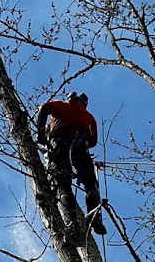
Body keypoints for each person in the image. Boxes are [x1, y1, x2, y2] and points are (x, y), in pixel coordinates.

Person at [36, 90, 105, 232]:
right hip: (80, 147)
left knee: (62, 182)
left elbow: (44, 108)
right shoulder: (89, 117)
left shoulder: (62, 105)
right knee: (91, 184)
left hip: (60, 142)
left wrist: (40, 132)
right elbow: (93, 142)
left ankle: (71, 223)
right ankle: (95, 218)